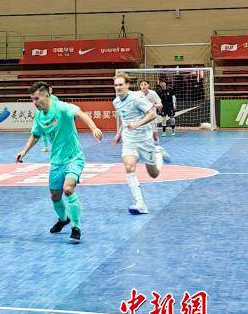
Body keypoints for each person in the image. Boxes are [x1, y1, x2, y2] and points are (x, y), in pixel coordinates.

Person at [15, 81, 103, 243]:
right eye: (32, 99)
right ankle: (63, 219)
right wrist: (24, 151)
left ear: (46, 95)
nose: (34, 103)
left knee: (68, 189)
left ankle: (76, 227)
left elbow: (80, 114)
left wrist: (94, 128)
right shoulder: (39, 116)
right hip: (56, 161)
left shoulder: (61, 107)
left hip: (73, 157)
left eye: (37, 99)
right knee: (55, 196)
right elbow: (36, 135)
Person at [113, 73, 170, 215]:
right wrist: (119, 133)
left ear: (127, 85)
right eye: (116, 85)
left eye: (121, 84)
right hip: (129, 140)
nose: (118, 87)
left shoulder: (136, 98)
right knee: (129, 167)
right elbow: (125, 119)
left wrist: (137, 124)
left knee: (154, 174)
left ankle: (158, 153)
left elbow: (152, 114)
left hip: (144, 140)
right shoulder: (116, 102)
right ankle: (140, 204)